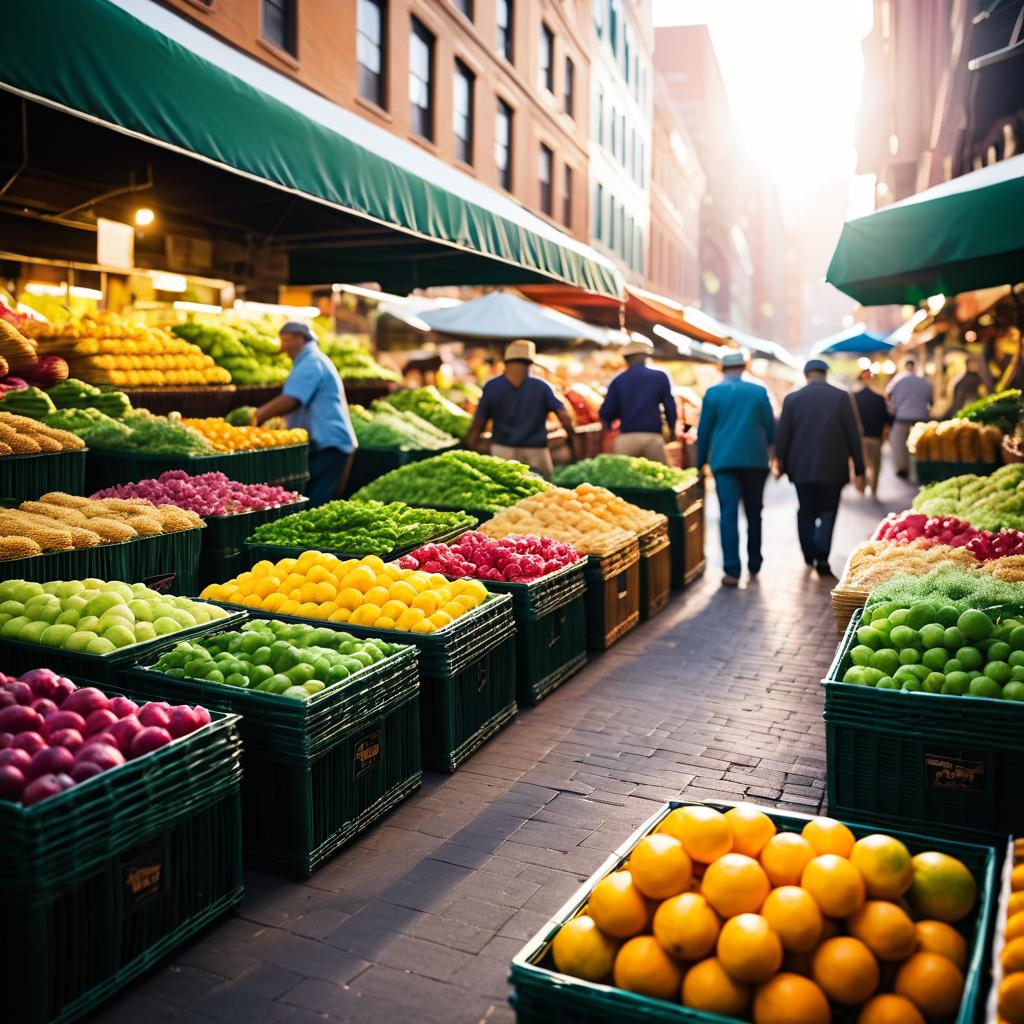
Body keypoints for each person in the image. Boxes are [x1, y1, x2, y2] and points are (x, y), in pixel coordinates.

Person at [775, 359, 865, 578]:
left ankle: (808, 553)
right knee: (828, 510)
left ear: (807, 375)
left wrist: (782, 463)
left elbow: (783, 435)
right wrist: (860, 469)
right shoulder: (842, 397)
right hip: (833, 467)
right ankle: (822, 556)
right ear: (825, 374)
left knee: (805, 509)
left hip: (801, 468)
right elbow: (854, 434)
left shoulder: (792, 398)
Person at [253, 321, 356, 507]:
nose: (282, 346)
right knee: (315, 502)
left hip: (330, 445)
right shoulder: (310, 360)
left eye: (287, 340)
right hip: (327, 444)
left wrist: (257, 415)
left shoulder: (311, 362)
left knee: (316, 505)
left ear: (301, 339)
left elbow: (291, 399)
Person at [696, 350, 774, 587]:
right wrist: (767, 448)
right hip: (755, 462)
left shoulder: (713, 393)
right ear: (744, 366)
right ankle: (755, 562)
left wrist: (699, 463)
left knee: (727, 515)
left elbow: (704, 432)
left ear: (722, 368)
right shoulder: (759, 391)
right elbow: (770, 427)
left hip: (724, 462)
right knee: (754, 513)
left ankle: (732, 571)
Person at [465, 339, 576, 478]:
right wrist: (572, 439)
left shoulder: (492, 386)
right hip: (536, 452)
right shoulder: (543, 387)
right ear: (530, 364)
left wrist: (470, 444)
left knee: (504, 491)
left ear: (506, 363)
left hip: (502, 451)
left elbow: (478, 422)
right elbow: (564, 414)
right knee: (542, 493)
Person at [600, 337, 676, 463]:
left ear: (626, 359)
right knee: (659, 479)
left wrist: (608, 429)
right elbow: (670, 407)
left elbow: (606, 413)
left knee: (625, 480)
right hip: (653, 437)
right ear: (644, 356)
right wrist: (672, 431)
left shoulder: (618, 381)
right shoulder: (660, 377)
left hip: (626, 438)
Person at [886, 358, 932, 479]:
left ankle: (903, 468)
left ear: (905, 366)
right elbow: (931, 401)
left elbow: (888, 395)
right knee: (922, 444)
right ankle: (922, 469)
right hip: (921, 417)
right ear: (915, 367)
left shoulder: (898, 380)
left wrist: (894, 406)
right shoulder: (924, 381)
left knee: (898, 443)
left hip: (903, 418)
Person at [853, 368, 892, 498]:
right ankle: (873, 491)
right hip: (875, 438)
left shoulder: (853, 398)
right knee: (875, 466)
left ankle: (861, 488)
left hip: (859, 439)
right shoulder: (879, 399)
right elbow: (888, 419)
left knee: (860, 465)